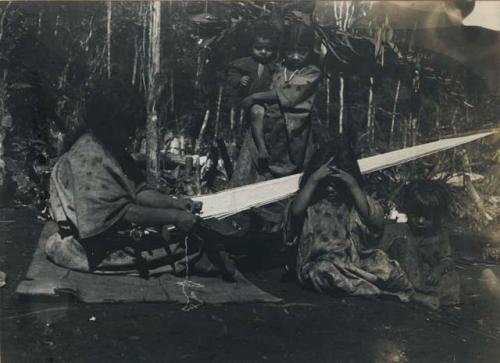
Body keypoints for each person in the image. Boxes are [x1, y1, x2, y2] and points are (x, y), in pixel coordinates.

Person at [46, 77, 233, 278]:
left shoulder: (112, 149)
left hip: (110, 233)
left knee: (189, 242)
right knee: (189, 249)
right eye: (128, 128)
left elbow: (138, 191)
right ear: (109, 122)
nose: (132, 135)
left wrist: (175, 204)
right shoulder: (87, 157)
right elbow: (122, 214)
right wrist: (174, 217)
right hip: (86, 247)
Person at [282, 142, 415, 302]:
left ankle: (367, 286)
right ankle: (377, 291)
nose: (331, 190)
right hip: (320, 261)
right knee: (325, 273)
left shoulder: (351, 202)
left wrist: (353, 185)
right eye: (326, 185)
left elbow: (373, 219)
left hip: (354, 260)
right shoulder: (310, 202)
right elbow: (295, 211)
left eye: (338, 186)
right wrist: (313, 180)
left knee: (386, 266)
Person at [230, 21, 321, 187]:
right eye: (290, 51)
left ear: (310, 51)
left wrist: (255, 97)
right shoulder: (278, 68)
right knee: (252, 174)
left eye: (301, 52)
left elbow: (289, 95)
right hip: (264, 132)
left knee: (289, 183)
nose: (295, 56)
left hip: (292, 135)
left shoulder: (311, 72)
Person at [381, 181, 460, 308]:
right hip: (402, 277)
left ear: (438, 216)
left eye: (428, 217)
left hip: (426, 277)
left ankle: (422, 294)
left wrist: (437, 270)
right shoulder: (398, 229)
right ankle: (414, 295)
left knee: (452, 279)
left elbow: (447, 259)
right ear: (407, 210)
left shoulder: (439, 233)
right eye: (415, 215)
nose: (420, 221)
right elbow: (380, 256)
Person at [227, 23, 279, 169]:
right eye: (259, 48)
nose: (263, 52)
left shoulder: (273, 66)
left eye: (268, 49)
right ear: (251, 48)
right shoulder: (243, 63)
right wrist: (239, 80)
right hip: (250, 100)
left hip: (267, 101)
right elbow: (231, 76)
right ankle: (262, 148)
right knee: (257, 112)